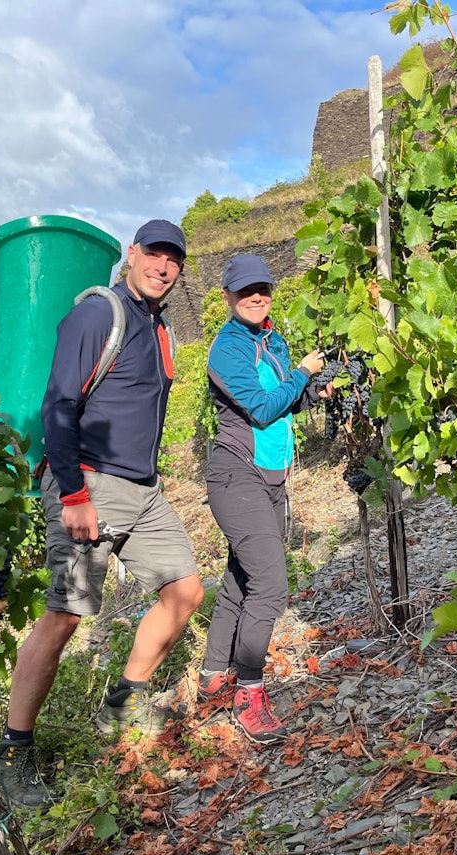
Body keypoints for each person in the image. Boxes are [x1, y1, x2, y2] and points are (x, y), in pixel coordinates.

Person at [0, 219, 205, 809]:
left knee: (185, 590)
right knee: (66, 615)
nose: (163, 267)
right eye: (154, 255)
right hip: (90, 485)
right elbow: (59, 403)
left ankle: (124, 700)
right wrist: (74, 495)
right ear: (131, 255)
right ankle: (14, 748)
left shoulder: (159, 328)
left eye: (173, 261)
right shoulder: (99, 314)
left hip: (143, 490)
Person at [198, 253, 332, 744]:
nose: (257, 296)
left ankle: (214, 676)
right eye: (246, 290)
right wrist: (300, 373)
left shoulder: (273, 341)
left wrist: (314, 391)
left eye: (263, 288)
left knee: (240, 580)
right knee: (272, 587)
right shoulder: (227, 349)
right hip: (237, 476)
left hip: (270, 476)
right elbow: (257, 410)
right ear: (228, 296)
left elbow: (285, 403)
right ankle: (249, 693)